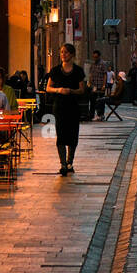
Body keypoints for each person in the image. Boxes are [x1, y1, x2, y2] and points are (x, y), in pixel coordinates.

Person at [45, 44, 87, 175]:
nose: (64, 54)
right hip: (60, 106)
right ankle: (62, 163)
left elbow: (82, 90)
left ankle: (70, 162)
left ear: (72, 54)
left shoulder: (78, 71)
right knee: (61, 135)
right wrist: (59, 90)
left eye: (67, 52)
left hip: (73, 106)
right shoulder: (55, 71)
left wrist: (71, 91)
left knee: (73, 135)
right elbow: (48, 88)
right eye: (62, 52)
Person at [87, 51, 108, 121]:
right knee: (92, 100)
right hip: (94, 86)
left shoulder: (103, 64)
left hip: (100, 85)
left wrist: (104, 85)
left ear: (99, 56)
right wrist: (89, 82)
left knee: (101, 101)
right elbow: (90, 74)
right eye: (94, 57)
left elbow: (105, 75)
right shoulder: (92, 64)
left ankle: (101, 115)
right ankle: (91, 115)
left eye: (96, 57)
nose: (95, 58)